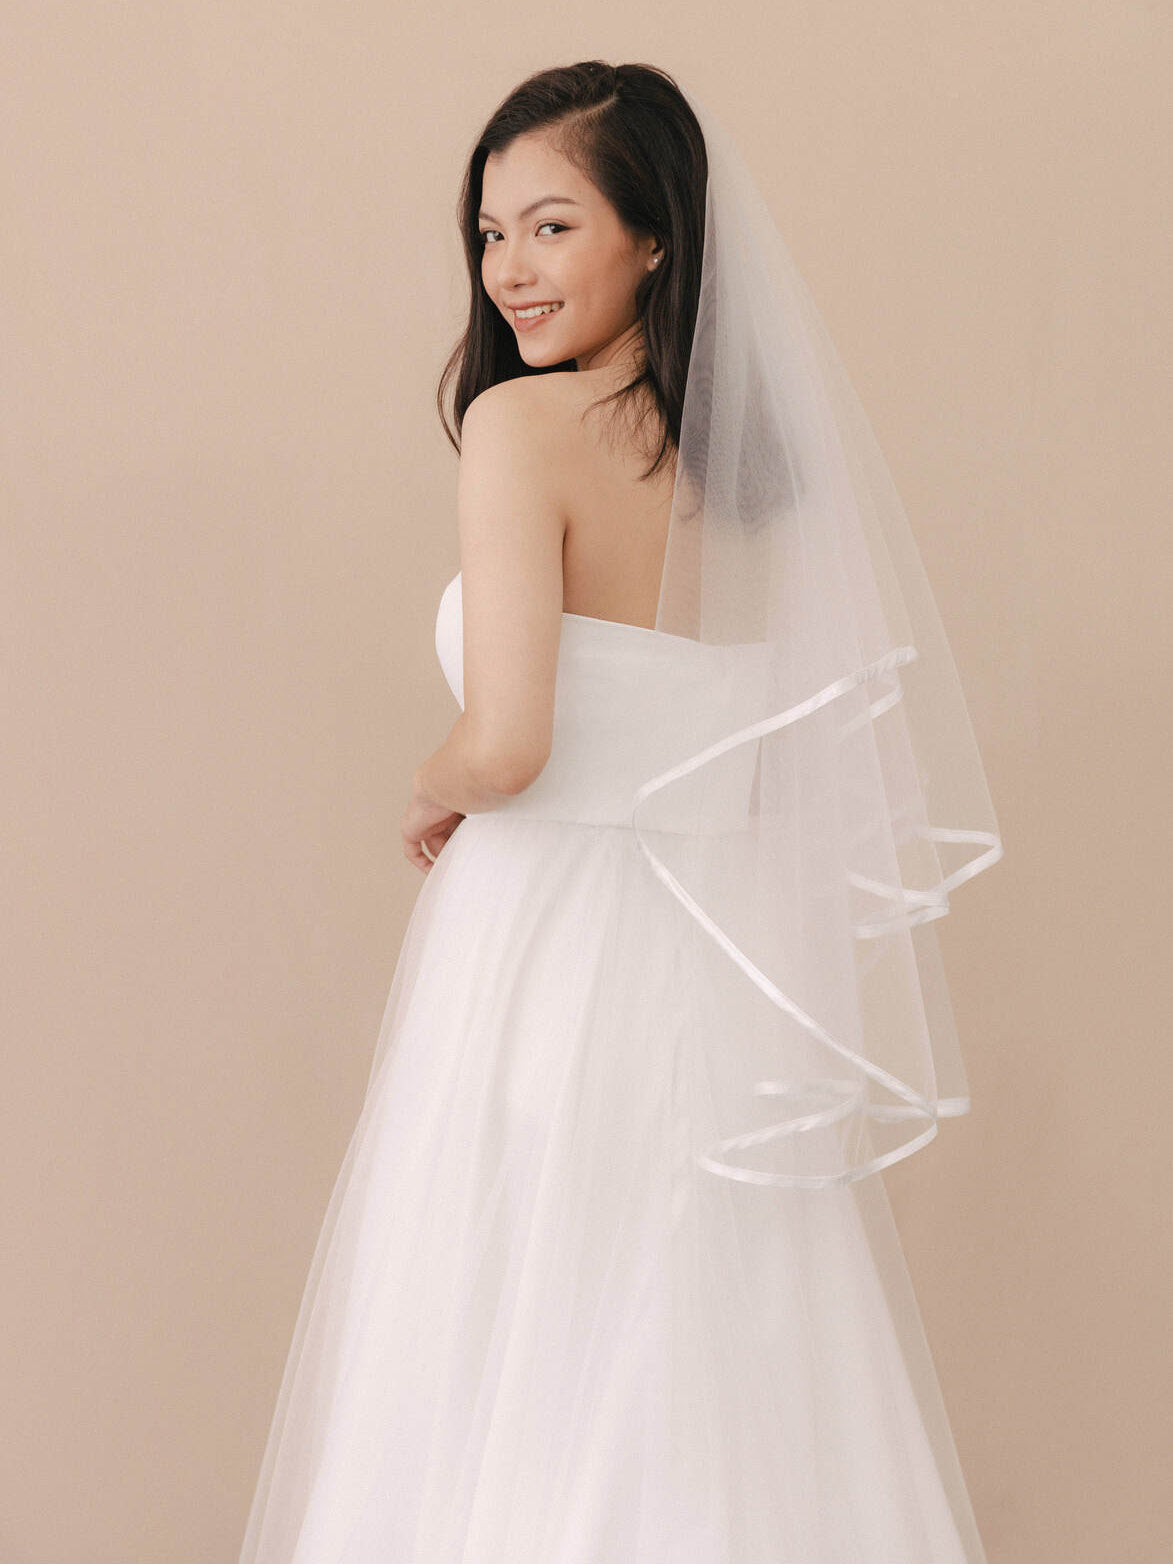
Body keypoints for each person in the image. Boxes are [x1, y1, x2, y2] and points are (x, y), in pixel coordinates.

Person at [238, 60, 1002, 1563]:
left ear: (653, 236)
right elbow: (747, 750)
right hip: (720, 956)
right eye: (490, 233)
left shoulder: (524, 429)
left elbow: (511, 742)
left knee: (513, 1343)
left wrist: (433, 783)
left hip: (546, 946)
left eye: (551, 226)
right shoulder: (762, 480)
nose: (508, 270)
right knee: (709, 1347)